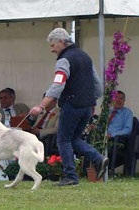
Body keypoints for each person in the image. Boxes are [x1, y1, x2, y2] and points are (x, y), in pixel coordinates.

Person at [29, 28, 109, 186]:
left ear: (61, 42)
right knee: (74, 139)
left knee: (63, 140)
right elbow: (96, 83)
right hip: (87, 105)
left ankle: (71, 176)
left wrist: (41, 106)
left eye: (53, 46)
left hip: (72, 104)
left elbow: (58, 85)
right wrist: (94, 98)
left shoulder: (64, 60)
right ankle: (98, 159)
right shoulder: (85, 56)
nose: (52, 50)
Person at [107, 90, 133, 175]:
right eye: (116, 98)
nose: (118, 100)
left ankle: (110, 171)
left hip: (118, 140)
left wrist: (112, 135)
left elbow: (127, 130)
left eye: (121, 99)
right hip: (104, 138)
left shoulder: (127, 113)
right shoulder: (108, 112)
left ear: (124, 101)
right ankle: (86, 170)